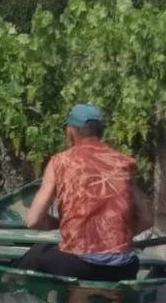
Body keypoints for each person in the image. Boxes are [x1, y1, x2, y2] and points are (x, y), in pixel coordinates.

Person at [18, 103, 154, 280]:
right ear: (100, 131)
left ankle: (9, 293)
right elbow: (147, 219)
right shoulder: (123, 163)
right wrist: (116, 239)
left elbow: (33, 220)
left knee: (37, 253)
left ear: (71, 131)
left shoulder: (61, 162)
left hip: (78, 266)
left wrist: (60, 225)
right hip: (125, 267)